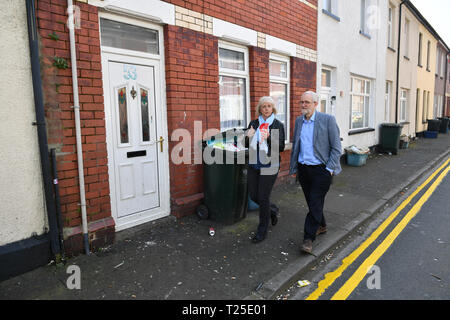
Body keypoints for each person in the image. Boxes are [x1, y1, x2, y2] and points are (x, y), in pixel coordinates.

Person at [289, 91, 342, 254]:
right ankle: (322, 225)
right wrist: (294, 168)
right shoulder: (299, 121)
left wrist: (329, 169)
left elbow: (336, 148)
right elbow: (296, 146)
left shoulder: (327, 120)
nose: (303, 105)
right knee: (314, 203)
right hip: (304, 169)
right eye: (302, 102)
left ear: (315, 104)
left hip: (321, 170)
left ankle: (308, 238)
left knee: (315, 201)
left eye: (307, 102)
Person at [246, 96, 285, 243]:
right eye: (264, 106)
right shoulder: (254, 123)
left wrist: (269, 138)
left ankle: (262, 230)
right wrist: (247, 136)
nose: (267, 108)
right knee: (254, 196)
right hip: (254, 163)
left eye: (269, 106)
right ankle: (272, 210)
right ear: (260, 109)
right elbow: (246, 144)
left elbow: (280, 147)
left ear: (272, 108)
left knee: (263, 197)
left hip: (270, 164)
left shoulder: (277, 125)